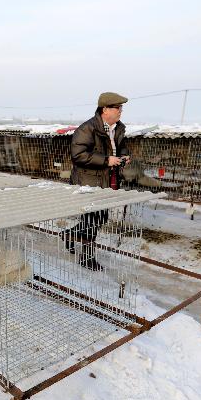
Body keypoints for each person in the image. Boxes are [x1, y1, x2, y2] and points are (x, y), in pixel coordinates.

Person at [66, 91, 131, 271]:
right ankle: (87, 258)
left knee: (100, 218)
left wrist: (124, 155)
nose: (120, 111)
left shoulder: (117, 128)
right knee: (91, 222)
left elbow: (121, 146)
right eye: (117, 108)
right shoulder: (87, 129)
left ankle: (69, 234)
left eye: (121, 108)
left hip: (107, 180)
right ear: (105, 109)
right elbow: (78, 155)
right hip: (88, 182)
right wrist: (106, 160)